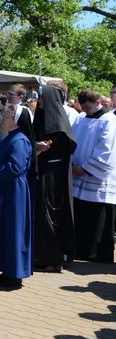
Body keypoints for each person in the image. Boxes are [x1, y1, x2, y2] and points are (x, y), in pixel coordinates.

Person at [0, 104, 35, 288]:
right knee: (4, 229)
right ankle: (7, 270)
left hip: (13, 191)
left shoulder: (19, 140)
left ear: (17, 120)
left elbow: (16, 168)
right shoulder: (12, 137)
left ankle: (14, 274)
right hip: (6, 189)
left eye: (7, 116)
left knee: (12, 229)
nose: (3, 118)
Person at [33, 85, 77, 272]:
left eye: (43, 98)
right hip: (44, 172)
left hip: (53, 176)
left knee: (50, 214)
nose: (39, 101)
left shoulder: (58, 124)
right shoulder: (42, 120)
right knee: (42, 215)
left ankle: (53, 258)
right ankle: (41, 255)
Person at [71, 89, 116, 264]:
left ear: (98, 102)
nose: (86, 110)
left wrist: (87, 169)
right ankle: (80, 251)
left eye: (89, 107)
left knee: (98, 218)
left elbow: (108, 149)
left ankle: (97, 255)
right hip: (77, 175)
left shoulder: (110, 121)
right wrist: (73, 165)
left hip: (97, 179)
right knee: (82, 216)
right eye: (84, 107)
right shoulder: (81, 118)